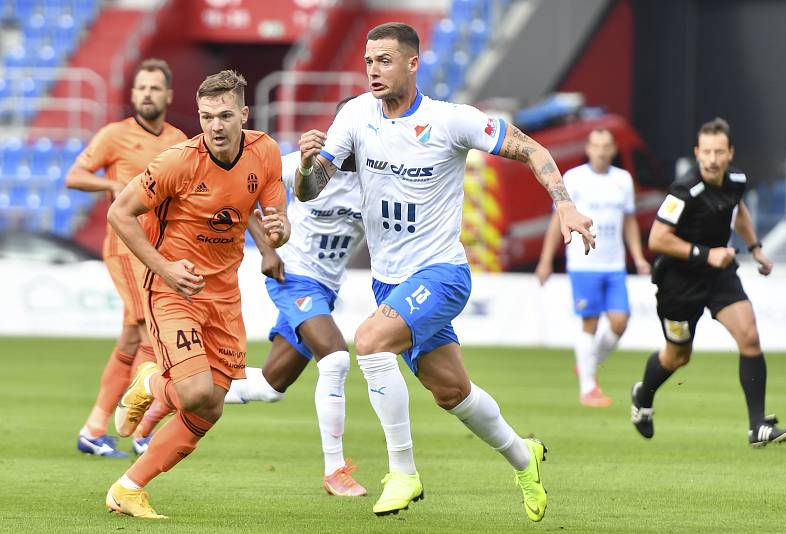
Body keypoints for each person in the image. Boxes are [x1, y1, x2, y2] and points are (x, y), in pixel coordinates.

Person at [294, 22, 595, 521]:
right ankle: (525, 457)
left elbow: (532, 149)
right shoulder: (354, 116)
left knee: (368, 343)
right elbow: (310, 189)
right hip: (390, 280)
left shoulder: (451, 120)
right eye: (369, 61)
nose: (373, 70)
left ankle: (404, 473)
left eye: (385, 60)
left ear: (413, 63)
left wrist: (564, 205)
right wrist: (307, 166)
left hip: (441, 273)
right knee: (451, 392)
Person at [103, 70, 289, 519]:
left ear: (244, 113)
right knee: (193, 391)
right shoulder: (177, 162)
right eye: (207, 116)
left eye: (226, 116)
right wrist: (164, 267)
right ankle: (151, 382)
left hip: (224, 296)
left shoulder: (264, 152)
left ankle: (128, 488)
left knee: (211, 407)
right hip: (172, 289)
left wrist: (274, 242)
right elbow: (119, 213)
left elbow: (264, 213)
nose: (216, 126)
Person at [223, 99, 368, 497]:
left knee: (270, 387)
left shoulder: (378, 177)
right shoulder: (302, 164)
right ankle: (335, 470)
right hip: (292, 276)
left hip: (325, 290)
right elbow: (240, 192)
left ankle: (166, 385)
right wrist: (267, 250)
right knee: (336, 358)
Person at [630, 117, 786, 447]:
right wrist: (706, 255)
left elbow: (739, 210)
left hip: (719, 274)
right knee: (677, 356)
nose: (713, 159)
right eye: (707, 152)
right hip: (679, 282)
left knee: (749, 335)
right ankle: (643, 395)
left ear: (730, 153)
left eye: (719, 151)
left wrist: (756, 248)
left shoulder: (735, 181)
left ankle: (757, 426)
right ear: (697, 153)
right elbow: (658, 239)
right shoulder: (684, 191)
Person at [66, 58, 187, 457]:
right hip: (123, 245)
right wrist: (111, 182)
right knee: (147, 327)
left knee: (134, 336)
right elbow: (74, 175)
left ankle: (96, 428)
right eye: (141, 88)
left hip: (156, 251)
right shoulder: (114, 136)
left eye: (154, 88)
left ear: (167, 95)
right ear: (133, 94)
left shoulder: (178, 139)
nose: (146, 94)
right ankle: (138, 429)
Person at [536, 129, 650, 407]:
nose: (601, 150)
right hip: (584, 263)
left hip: (614, 264)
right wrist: (546, 259)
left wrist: (638, 256)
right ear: (588, 149)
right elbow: (557, 220)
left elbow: (629, 221)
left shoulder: (623, 180)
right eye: (596, 145)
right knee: (590, 322)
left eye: (606, 145)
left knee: (620, 322)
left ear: (613, 150)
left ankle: (588, 363)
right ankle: (588, 388)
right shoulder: (574, 179)